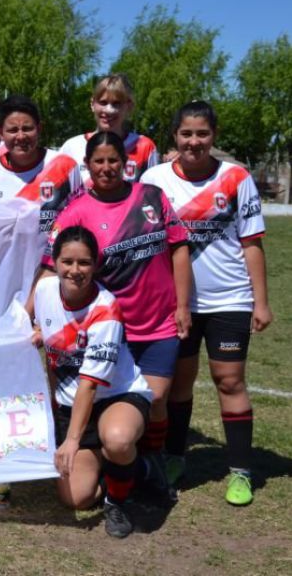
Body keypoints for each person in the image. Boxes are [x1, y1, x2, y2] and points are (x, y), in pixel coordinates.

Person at [43, 131, 192, 502]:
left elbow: (178, 248)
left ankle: (148, 463)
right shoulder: (76, 211)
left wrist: (183, 305)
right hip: (113, 327)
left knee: (155, 401)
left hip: (158, 323)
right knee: (114, 404)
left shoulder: (150, 197)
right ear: (88, 165)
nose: (107, 167)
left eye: (114, 160)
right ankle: (121, 465)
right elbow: (52, 267)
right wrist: (31, 317)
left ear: (126, 163)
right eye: (99, 161)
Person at [140, 101, 272, 505]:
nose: (194, 142)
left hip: (229, 299)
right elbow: (146, 243)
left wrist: (261, 303)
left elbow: (251, 243)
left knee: (229, 380)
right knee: (177, 385)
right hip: (175, 303)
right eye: (186, 134)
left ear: (213, 135)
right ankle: (175, 457)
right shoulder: (155, 179)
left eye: (202, 134)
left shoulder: (236, 177)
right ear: (174, 137)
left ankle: (240, 472)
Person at [36, 225, 153, 538]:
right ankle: (122, 466)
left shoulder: (106, 309)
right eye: (67, 262)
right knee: (75, 498)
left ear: (96, 264)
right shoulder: (44, 291)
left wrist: (72, 440)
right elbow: (50, 353)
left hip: (115, 397)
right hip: (71, 405)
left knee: (117, 438)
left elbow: (89, 385)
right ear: (55, 262)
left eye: (84, 263)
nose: (75, 270)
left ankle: (121, 496)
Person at [0, 95, 83, 233]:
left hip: (53, 255)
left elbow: (81, 219)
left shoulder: (65, 167)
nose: (21, 136)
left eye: (27, 128)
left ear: (39, 128)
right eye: (12, 130)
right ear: (0, 133)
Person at [60, 74, 159, 186]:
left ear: (129, 106)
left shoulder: (144, 146)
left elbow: (152, 193)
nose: (109, 110)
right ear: (92, 104)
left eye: (116, 104)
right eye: (103, 102)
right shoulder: (72, 147)